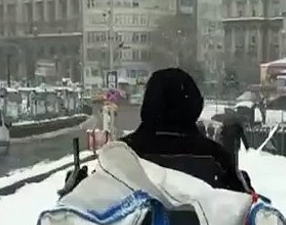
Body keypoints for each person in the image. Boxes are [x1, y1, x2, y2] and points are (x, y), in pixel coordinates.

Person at [61, 68, 249, 195]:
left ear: (148, 104)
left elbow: (91, 218)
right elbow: (244, 217)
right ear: (195, 105)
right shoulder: (215, 158)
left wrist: (77, 190)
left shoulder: (120, 156)